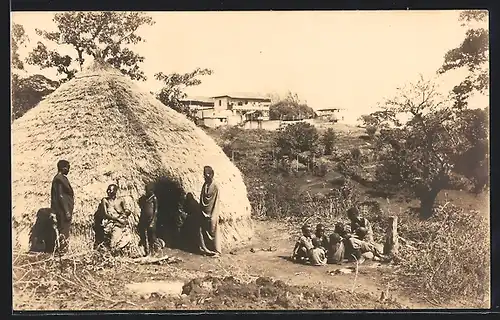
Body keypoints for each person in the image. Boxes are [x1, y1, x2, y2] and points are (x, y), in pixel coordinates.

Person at [95, 184, 133, 253]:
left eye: (110, 190)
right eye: (108, 189)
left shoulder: (121, 200)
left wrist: (125, 213)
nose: (108, 191)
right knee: (114, 235)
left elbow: (126, 210)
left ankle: (116, 249)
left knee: (125, 236)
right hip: (111, 221)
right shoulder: (105, 200)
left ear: (115, 191)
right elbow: (106, 214)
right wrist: (116, 219)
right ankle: (112, 249)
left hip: (120, 221)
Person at [50, 160, 74, 254]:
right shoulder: (59, 179)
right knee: (64, 229)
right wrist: (66, 211)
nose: (68, 170)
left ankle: (61, 249)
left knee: (63, 228)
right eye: (68, 168)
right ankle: (63, 250)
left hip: (63, 208)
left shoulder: (61, 178)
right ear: (63, 168)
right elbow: (60, 195)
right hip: (62, 209)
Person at [198, 166, 221, 256]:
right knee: (202, 229)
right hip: (204, 211)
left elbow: (216, 201)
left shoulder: (215, 186)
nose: (206, 176)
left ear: (212, 174)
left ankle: (217, 251)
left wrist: (213, 214)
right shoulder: (205, 185)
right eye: (205, 175)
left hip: (212, 211)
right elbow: (202, 198)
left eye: (208, 174)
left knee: (213, 228)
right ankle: (205, 249)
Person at [138, 184, 158, 256]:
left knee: (151, 235)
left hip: (151, 219)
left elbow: (155, 211)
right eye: (146, 190)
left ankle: (153, 251)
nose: (146, 191)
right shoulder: (145, 198)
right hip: (144, 218)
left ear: (151, 190)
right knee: (144, 235)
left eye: (148, 190)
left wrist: (152, 221)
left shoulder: (154, 198)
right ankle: (146, 251)